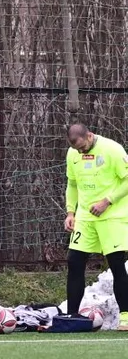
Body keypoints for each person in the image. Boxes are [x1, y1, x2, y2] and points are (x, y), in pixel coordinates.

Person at [61, 123, 128, 329]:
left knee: (116, 264)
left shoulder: (112, 149)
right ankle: (72, 316)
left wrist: (107, 201)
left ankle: (125, 316)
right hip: (85, 218)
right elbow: (72, 184)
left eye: (83, 147)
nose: (81, 152)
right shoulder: (73, 153)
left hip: (112, 216)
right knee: (74, 261)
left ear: (90, 136)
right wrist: (70, 212)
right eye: (77, 149)